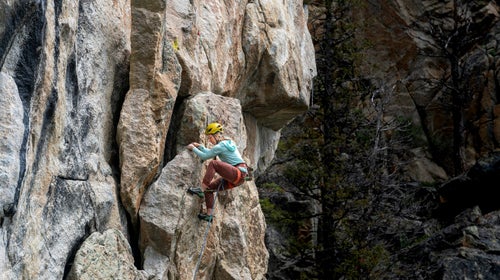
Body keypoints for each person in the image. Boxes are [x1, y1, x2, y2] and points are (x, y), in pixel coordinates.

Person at [186, 122, 248, 222]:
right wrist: (200, 147)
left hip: (237, 172)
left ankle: (201, 189)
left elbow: (205, 156)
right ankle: (209, 215)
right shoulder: (227, 143)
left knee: (214, 163)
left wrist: (193, 148)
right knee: (209, 189)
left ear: (216, 135)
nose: (209, 140)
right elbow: (210, 152)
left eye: (210, 137)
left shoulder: (221, 146)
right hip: (239, 177)